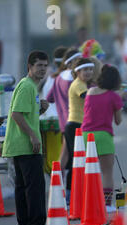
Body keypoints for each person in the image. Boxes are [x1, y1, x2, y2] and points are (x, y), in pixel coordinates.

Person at [2, 50, 50, 225]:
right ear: (29, 67)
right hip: (26, 146)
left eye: (45, 66)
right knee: (34, 189)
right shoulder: (27, 86)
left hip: (22, 145)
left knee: (23, 189)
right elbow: (16, 114)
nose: (42, 69)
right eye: (39, 65)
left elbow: (26, 114)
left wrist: (40, 110)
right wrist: (33, 136)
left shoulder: (30, 87)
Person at [81, 64, 124, 212]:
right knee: (106, 172)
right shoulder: (114, 97)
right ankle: (106, 204)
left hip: (86, 135)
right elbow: (118, 121)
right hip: (104, 135)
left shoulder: (90, 91)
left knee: (88, 171)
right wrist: (119, 105)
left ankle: (88, 202)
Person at [47, 48, 81, 203]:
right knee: (74, 159)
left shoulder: (58, 77)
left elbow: (50, 98)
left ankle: (58, 191)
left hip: (63, 123)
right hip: (74, 122)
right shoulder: (72, 80)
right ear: (71, 62)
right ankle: (68, 194)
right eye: (78, 59)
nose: (81, 62)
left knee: (64, 157)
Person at [65, 58, 94, 199]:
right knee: (74, 161)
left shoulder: (84, 84)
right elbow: (89, 98)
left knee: (78, 161)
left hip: (80, 125)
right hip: (75, 126)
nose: (88, 72)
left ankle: (77, 192)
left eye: (90, 69)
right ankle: (70, 194)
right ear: (77, 72)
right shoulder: (78, 84)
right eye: (85, 70)